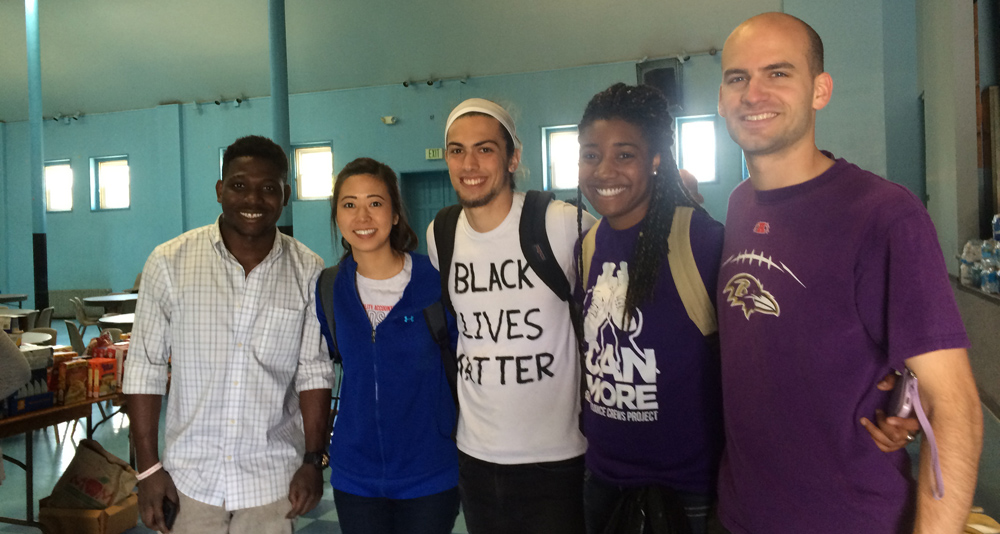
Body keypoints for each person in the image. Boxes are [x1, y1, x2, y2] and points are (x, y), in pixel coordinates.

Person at [715, 12, 983, 534]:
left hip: (849, 519)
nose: (753, 93)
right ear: (721, 98)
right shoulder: (740, 203)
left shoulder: (883, 215)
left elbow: (956, 408)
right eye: (737, 77)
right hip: (743, 514)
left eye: (778, 73)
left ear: (820, 90)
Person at [124, 135, 333, 533]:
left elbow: (314, 371)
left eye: (268, 188)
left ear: (285, 196)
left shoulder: (308, 270)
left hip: (272, 482)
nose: (253, 199)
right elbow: (144, 369)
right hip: (189, 482)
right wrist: (148, 469)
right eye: (239, 185)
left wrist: (313, 460)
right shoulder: (169, 262)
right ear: (220, 190)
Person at [425, 98, 597, 534]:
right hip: (476, 458)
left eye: (485, 149)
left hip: (557, 459)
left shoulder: (560, 223)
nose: (469, 164)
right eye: (457, 150)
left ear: (513, 157)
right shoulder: (441, 234)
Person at [574, 82, 724, 534]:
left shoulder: (700, 241)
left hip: (686, 492)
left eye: (624, 154)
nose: (604, 170)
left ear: (656, 159)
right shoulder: (589, 245)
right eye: (590, 154)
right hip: (602, 482)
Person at [316, 157, 460, 534]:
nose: (362, 216)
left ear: (395, 214)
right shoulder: (329, 288)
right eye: (349, 204)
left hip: (430, 472)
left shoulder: (437, 281)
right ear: (337, 216)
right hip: (355, 476)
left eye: (375, 203)